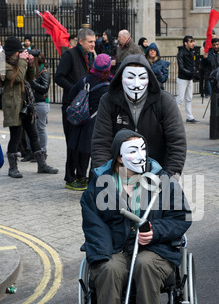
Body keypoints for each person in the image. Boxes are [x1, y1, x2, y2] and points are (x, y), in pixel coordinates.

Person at [81, 129, 192, 304]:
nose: (140, 155)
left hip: (155, 250)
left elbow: (182, 216)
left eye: (142, 149)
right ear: (119, 158)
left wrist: (155, 232)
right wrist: (108, 252)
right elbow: (93, 222)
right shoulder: (101, 182)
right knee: (109, 269)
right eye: (132, 151)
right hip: (116, 248)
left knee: (145, 265)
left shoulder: (162, 180)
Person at [91, 53, 186, 178]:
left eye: (142, 78)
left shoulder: (165, 102)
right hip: (120, 175)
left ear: (149, 78)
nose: (136, 84)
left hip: (156, 173)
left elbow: (177, 142)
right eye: (130, 77)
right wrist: (105, 177)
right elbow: (101, 142)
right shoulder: (108, 101)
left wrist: (170, 176)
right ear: (120, 78)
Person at [2, 36, 58, 178]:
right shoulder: (4, 65)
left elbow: (29, 78)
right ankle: (13, 168)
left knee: (33, 134)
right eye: (18, 51)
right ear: (12, 52)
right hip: (14, 105)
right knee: (15, 136)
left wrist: (31, 63)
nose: (20, 53)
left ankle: (42, 165)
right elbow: (18, 78)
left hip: (26, 104)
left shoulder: (19, 62)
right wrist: (22, 61)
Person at [55, 27, 96, 190]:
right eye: (90, 42)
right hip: (72, 106)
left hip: (87, 107)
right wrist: (75, 89)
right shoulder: (70, 55)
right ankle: (70, 177)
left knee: (84, 143)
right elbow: (59, 77)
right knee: (73, 143)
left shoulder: (91, 56)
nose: (93, 44)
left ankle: (81, 175)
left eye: (94, 41)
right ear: (80, 41)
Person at [67, 53, 113, 183]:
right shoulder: (110, 84)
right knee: (97, 153)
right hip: (99, 123)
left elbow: (71, 95)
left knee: (83, 151)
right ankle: (93, 179)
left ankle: (81, 176)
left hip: (83, 121)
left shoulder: (85, 80)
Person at [22, 52, 51, 162]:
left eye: (31, 58)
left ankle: (42, 151)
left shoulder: (44, 72)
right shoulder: (32, 71)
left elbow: (44, 88)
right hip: (32, 103)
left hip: (41, 103)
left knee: (41, 128)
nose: (29, 60)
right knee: (29, 129)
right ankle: (31, 151)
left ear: (37, 59)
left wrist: (32, 82)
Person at [176, 35, 199, 123]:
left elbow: (192, 65)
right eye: (191, 41)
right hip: (182, 79)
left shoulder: (191, 52)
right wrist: (192, 73)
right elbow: (181, 67)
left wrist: (194, 73)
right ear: (185, 43)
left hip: (189, 78)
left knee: (189, 98)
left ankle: (189, 117)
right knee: (180, 99)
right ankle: (175, 117)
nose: (193, 43)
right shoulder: (181, 53)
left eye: (193, 41)